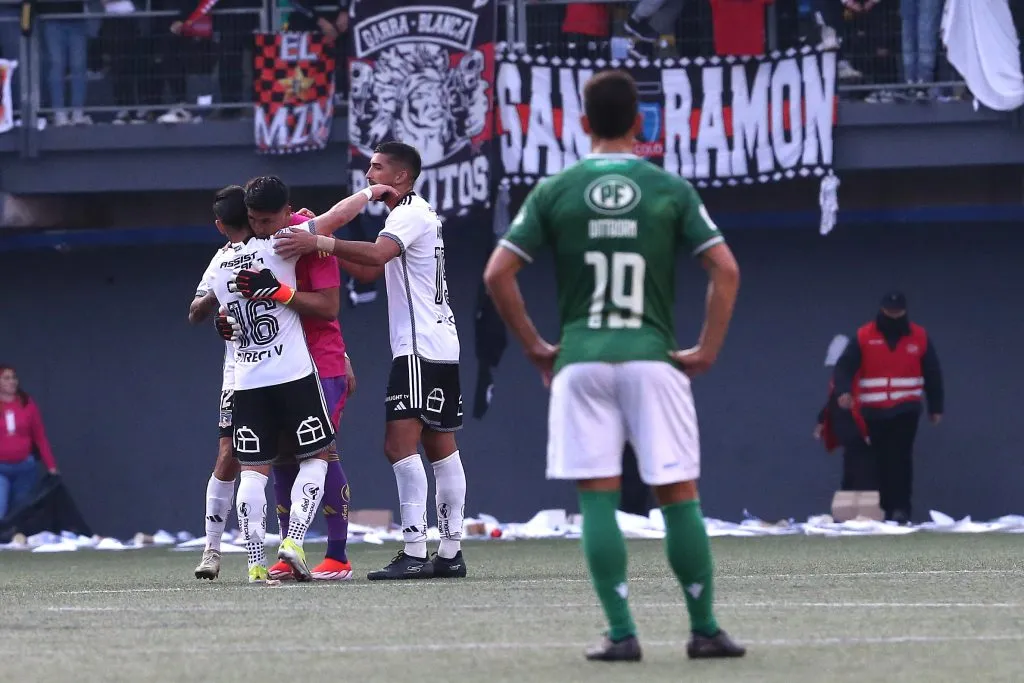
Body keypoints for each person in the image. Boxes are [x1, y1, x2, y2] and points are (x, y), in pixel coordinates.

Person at [480, 70, 745, 662]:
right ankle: (704, 629)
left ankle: (622, 634)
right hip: (653, 358)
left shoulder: (556, 190)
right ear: (639, 123)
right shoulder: (667, 188)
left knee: (597, 497)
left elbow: (498, 272)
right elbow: (725, 268)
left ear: (582, 123)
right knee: (678, 493)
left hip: (580, 362)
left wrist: (534, 345)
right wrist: (706, 349)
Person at [274, 142, 468, 581]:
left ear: (400, 177)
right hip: (439, 342)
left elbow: (378, 255)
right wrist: (323, 252)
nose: (368, 174)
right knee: (440, 447)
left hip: (419, 348)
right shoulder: (418, 215)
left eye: (377, 167)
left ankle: (416, 550)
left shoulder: (407, 215)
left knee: (398, 446)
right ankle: (450, 551)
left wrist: (319, 239)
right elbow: (369, 271)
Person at [190, 183, 357, 582]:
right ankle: (284, 547)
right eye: (255, 220)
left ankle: (323, 556)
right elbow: (336, 218)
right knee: (289, 458)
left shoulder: (234, 259)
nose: (262, 226)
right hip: (286, 372)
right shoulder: (280, 244)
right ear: (246, 218)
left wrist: (225, 301)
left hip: (298, 364)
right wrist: (371, 194)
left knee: (286, 460)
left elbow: (329, 307)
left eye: (267, 219)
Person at [832, 291, 943, 523]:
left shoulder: (919, 337)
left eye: (897, 312)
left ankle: (900, 509)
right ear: (882, 310)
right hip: (873, 410)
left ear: (904, 311)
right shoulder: (864, 336)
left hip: (906, 409)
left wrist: (936, 406)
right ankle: (878, 509)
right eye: (889, 311)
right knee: (876, 461)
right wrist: (843, 391)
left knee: (900, 459)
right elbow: (844, 366)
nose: (893, 316)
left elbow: (932, 372)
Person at [0, 366, 58, 520]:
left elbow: (40, 437)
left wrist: (51, 466)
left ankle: (13, 542)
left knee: (20, 512)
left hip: (25, 468)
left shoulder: (27, 403)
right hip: (1, 468)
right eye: (6, 378)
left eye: (14, 378)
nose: (12, 381)